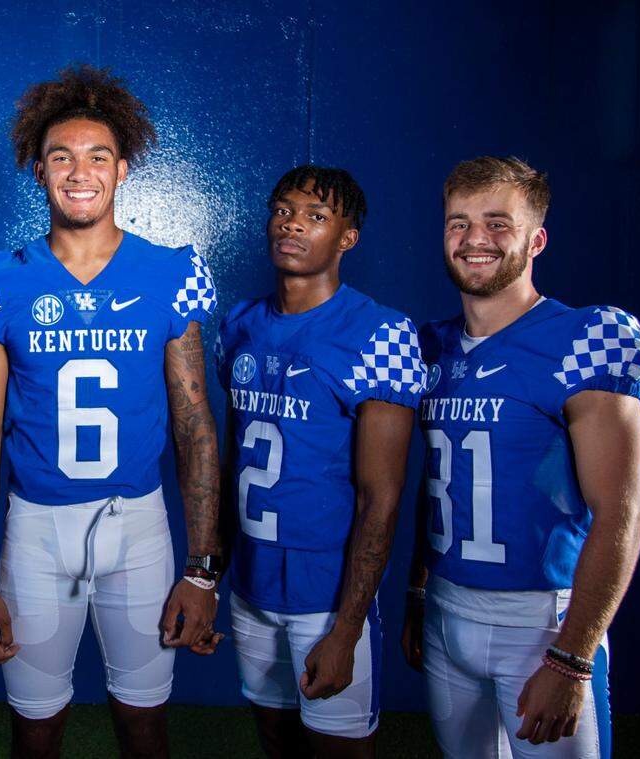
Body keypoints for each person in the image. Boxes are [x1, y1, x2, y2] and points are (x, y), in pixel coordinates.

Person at [0, 64, 221, 758]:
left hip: (139, 528)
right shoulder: (0, 278)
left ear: (123, 169)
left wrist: (202, 569)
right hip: (35, 531)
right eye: (61, 157)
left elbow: (195, 425)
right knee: (35, 732)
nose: (80, 173)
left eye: (98, 156)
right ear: (38, 170)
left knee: (145, 728)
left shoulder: (170, 272)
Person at [402, 156, 640, 758]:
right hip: (445, 610)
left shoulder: (584, 339)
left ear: (536, 240)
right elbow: (436, 484)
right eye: (459, 223)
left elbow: (621, 513)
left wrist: (572, 657)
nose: (475, 239)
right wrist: (416, 593)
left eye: (498, 223)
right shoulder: (429, 346)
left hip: (541, 622)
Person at [216, 166, 425, 757]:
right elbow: (231, 459)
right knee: (275, 737)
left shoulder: (381, 333)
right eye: (283, 211)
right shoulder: (240, 323)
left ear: (346, 237)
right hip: (251, 584)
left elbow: (381, 497)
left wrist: (347, 626)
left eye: (316, 216)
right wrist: (210, 575)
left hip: (327, 595)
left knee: (338, 749)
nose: (292, 226)